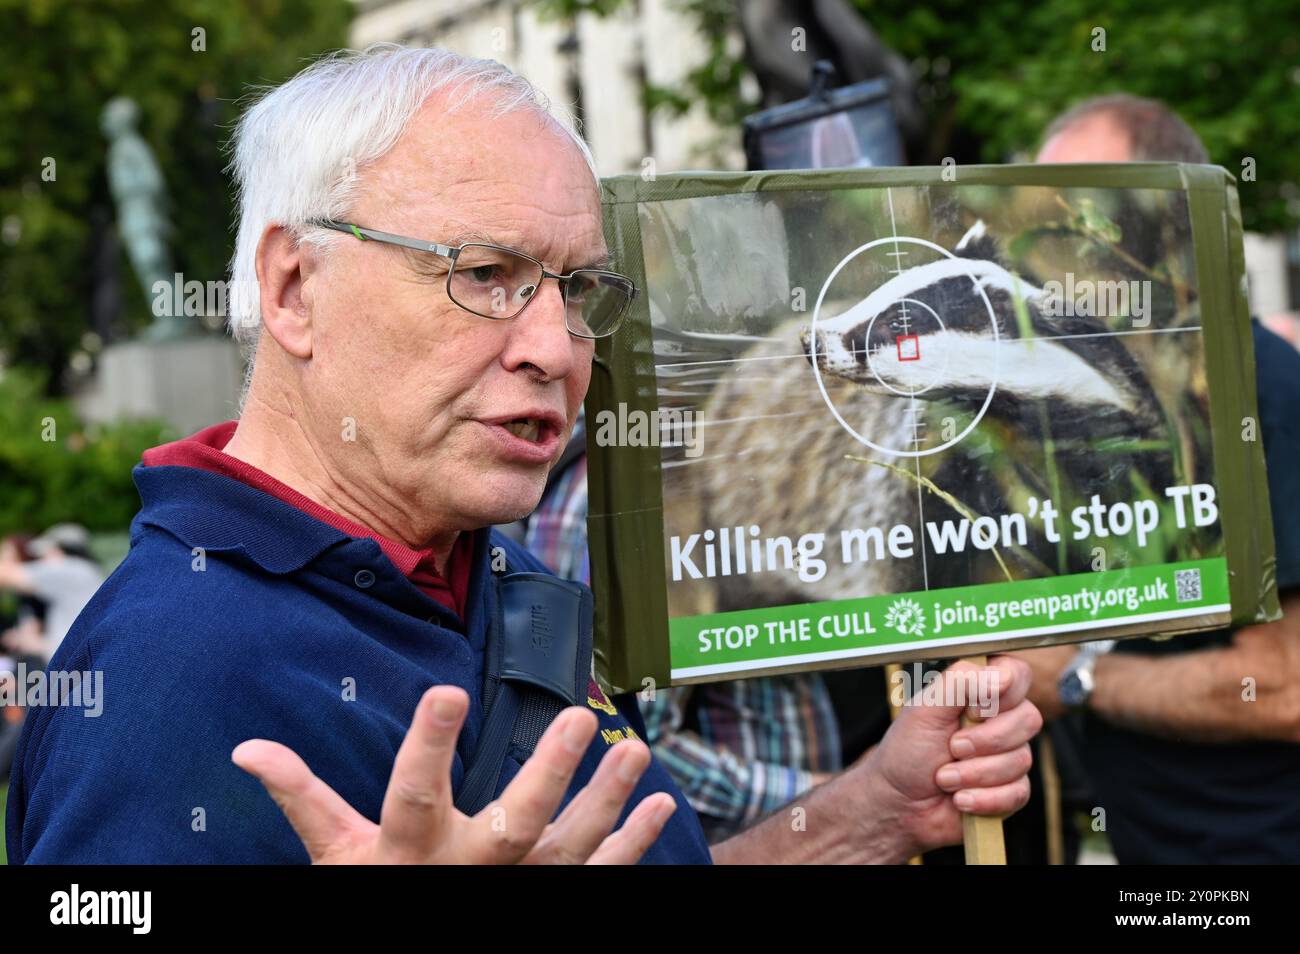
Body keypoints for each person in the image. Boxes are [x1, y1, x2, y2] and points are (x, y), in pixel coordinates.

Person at [6, 44, 1038, 865]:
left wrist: (872, 812)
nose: (555, 348)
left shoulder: (493, 570)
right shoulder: (168, 681)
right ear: (292, 289)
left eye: (578, 291)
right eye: (486, 272)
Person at [1017, 93, 1300, 863]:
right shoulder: (1104, 394)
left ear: (1169, 218)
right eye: (1047, 215)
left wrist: (1078, 679)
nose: (1056, 243)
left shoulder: (1254, 391)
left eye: (1090, 212)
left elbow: (1286, 688)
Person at [0, 524, 104, 661]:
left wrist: (9, 558)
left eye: (45, 553)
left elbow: (5, 576)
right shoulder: (87, 572)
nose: (40, 559)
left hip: (70, 667)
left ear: (58, 551)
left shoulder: (68, 569)